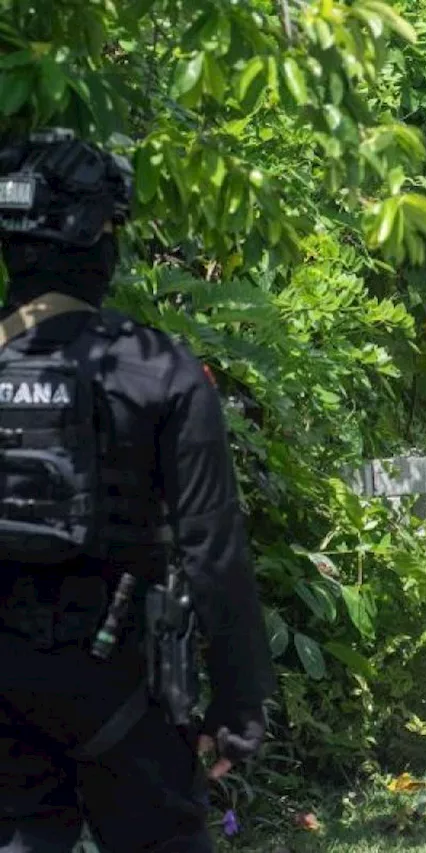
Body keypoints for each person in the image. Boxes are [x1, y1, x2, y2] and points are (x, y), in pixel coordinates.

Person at [0, 131, 275, 850]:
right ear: (100, 240)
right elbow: (213, 547)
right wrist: (240, 703)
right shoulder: (155, 368)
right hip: (122, 688)